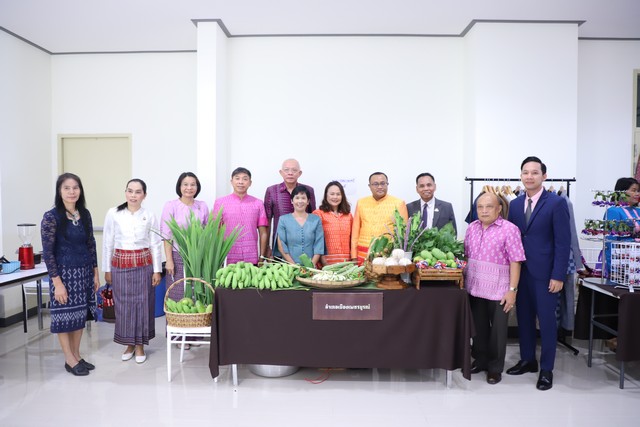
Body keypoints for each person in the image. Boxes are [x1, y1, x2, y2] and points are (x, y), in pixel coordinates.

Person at [506, 156, 570, 391]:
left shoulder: (556, 203)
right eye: (525, 172)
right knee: (523, 319)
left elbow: (563, 243)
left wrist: (559, 275)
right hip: (520, 272)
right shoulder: (513, 205)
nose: (529, 176)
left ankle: (546, 369)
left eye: (534, 172)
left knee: (546, 323)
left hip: (546, 274)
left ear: (544, 176)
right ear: (520, 176)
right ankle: (527, 360)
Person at [41, 173, 100, 376]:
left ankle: (76, 355)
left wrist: (95, 273)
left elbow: (91, 244)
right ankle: (69, 358)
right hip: (63, 276)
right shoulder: (51, 217)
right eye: (67, 188)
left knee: (80, 316)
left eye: (75, 187)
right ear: (59, 191)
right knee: (64, 318)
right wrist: (57, 282)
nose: (72, 191)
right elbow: (48, 253)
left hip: (84, 273)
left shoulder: (85, 213)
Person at [464, 192, 525, 385]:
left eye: (488, 206)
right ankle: (480, 360)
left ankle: (495, 368)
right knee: (478, 329)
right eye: (480, 207)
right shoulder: (471, 228)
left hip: (500, 289)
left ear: (499, 209)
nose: (483, 210)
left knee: (497, 332)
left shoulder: (510, 229)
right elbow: (466, 255)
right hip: (475, 287)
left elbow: (516, 261)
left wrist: (512, 290)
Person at [103, 179, 163, 364]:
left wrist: (157, 270)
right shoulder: (113, 213)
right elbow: (107, 242)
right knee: (123, 306)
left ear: (144, 195)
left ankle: (140, 346)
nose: (133, 195)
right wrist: (107, 269)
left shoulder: (149, 215)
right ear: (125, 192)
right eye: (130, 191)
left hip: (144, 265)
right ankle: (128, 344)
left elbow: (155, 243)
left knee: (143, 304)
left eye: (138, 192)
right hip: (120, 264)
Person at [160, 172, 209, 301]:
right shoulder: (171, 206)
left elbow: (207, 232)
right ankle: (176, 321)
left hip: (199, 257)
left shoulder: (202, 206)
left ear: (197, 187)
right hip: (177, 256)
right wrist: (169, 260)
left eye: (193, 184)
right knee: (178, 294)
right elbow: (167, 236)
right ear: (179, 186)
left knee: (197, 293)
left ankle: (196, 322)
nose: (189, 188)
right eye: (185, 184)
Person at [213, 167, 268, 264]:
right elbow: (216, 232)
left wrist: (262, 256)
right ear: (231, 181)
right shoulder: (220, 203)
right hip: (227, 258)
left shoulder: (258, 203)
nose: (241, 182)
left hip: (251, 257)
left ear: (250, 183)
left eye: (245, 179)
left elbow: (263, 232)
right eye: (237, 178)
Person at [351, 172, 408, 265]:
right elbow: (355, 231)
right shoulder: (361, 202)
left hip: (387, 253)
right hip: (363, 251)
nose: (380, 187)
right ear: (369, 186)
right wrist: (353, 256)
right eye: (375, 184)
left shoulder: (398, 203)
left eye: (383, 183)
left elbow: (403, 234)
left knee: (386, 279)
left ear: (387, 184)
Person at [264, 159, 316, 258]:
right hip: (280, 246)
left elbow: (313, 219)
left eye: (294, 170)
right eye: (287, 170)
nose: (290, 173)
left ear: (300, 173)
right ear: (281, 172)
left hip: (304, 247)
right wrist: (267, 247)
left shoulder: (309, 190)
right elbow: (268, 221)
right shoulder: (271, 191)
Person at [276, 185, 325, 265]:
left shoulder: (316, 220)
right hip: (290, 268)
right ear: (292, 201)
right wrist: (294, 266)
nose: (300, 201)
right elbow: (281, 246)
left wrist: (311, 266)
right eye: (297, 198)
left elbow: (319, 245)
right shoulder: (283, 220)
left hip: (311, 268)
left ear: (308, 201)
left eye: (303, 198)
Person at [603, 177, 640, 276]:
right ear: (622, 192)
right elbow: (610, 242)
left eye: (638, 190)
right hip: (622, 264)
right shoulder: (613, 211)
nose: (637, 193)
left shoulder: (638, 211)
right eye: (633, 190)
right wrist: (613, 269)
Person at [313, 181, 353, 265]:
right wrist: (324, 263)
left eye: (338, 194)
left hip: (346, 264)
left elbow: (352, 239)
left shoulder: (348, 215)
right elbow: (316, 241)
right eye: (332, 194)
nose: (335, 197)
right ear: (326, 195)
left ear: (342, 196)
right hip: (326, 264)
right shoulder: (318, 214)